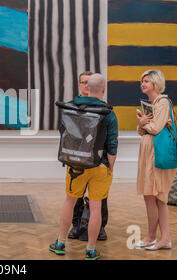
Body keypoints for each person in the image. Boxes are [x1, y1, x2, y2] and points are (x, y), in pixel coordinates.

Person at [49, 73, 118, 260]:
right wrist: (109, 168)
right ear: (103, 89)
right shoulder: (109, 112)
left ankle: (60, 243)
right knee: (96, 207)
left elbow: (64, 132)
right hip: (100, 165)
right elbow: (112, 145)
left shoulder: (71, 106)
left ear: (87, 87)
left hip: (76, 166)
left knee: (70, 202)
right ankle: (91, 249)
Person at [135, 70, 175, 250]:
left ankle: (164, 238)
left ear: (155, 83)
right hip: (148, 154)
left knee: (159, 197)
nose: (142, 84)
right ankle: (152, 236)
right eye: (142, 81)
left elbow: (156, 128)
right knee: (149, 196)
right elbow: (141, 130)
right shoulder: (153, 104)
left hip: (156, 155)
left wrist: (143, 123)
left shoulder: (163, 102)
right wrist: (142, 124)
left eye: (146, 81)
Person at [68, 71, 109, 241]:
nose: (86, 85)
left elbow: (109, 137)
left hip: (98, 160)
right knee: (75, 196)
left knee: (100, 198)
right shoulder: (71, 106)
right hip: (78, 159)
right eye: (83, 82)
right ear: (79, 85)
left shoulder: (105, 109)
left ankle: (99, 228)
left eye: (88, 82)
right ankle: (77, 225)